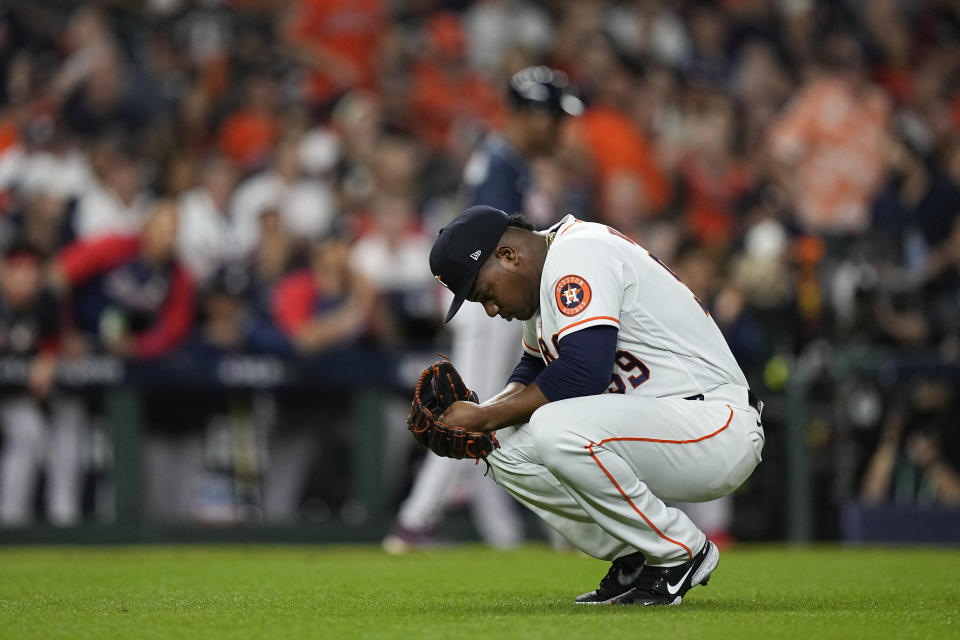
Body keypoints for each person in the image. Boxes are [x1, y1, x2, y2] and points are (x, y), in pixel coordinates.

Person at [427, 205, 765, 606]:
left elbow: (583, 372)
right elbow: (534, 368)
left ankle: (679, 551)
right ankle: (637, 557)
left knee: (555, 427)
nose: (492, 309)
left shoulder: (578, 254)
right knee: (499, 444)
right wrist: (477, 420)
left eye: (484, 294)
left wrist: (482, 415)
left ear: (508, 255)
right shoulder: (546, 274)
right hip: (662, 424)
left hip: (714, 422)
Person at [383, 66, 582, 552]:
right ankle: (414, 523)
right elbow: (493, 255)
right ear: (528, 114)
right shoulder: (501, 165)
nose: (559, 128)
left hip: (488, 301)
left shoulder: (507, 160)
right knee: (476, 412)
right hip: (490, 301)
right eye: (552, 116)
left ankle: (503, 536)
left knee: (495, 416)